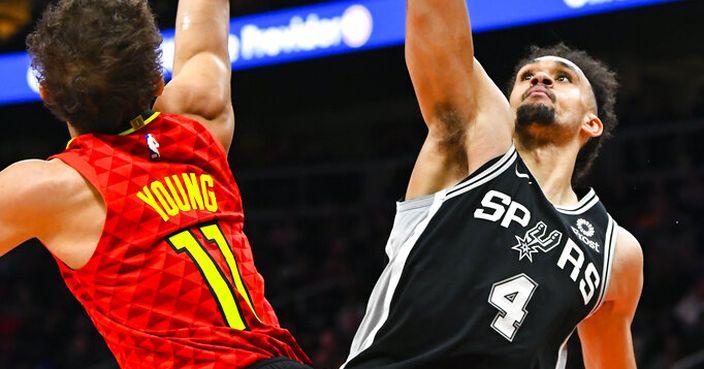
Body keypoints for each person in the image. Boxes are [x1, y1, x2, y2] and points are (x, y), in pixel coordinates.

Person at [0, 1, 312, 368]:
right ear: (156, 81)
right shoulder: (200, 123)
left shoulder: (54, 189)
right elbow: (204, 39)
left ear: (46, 94)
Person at [342, 1, 643, 368]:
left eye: (563, 78)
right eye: (526, 76)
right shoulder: (477, 137)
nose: (540, 79)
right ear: (509, 101)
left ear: (592, 123)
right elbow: (434, 14)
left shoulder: (616, 251)